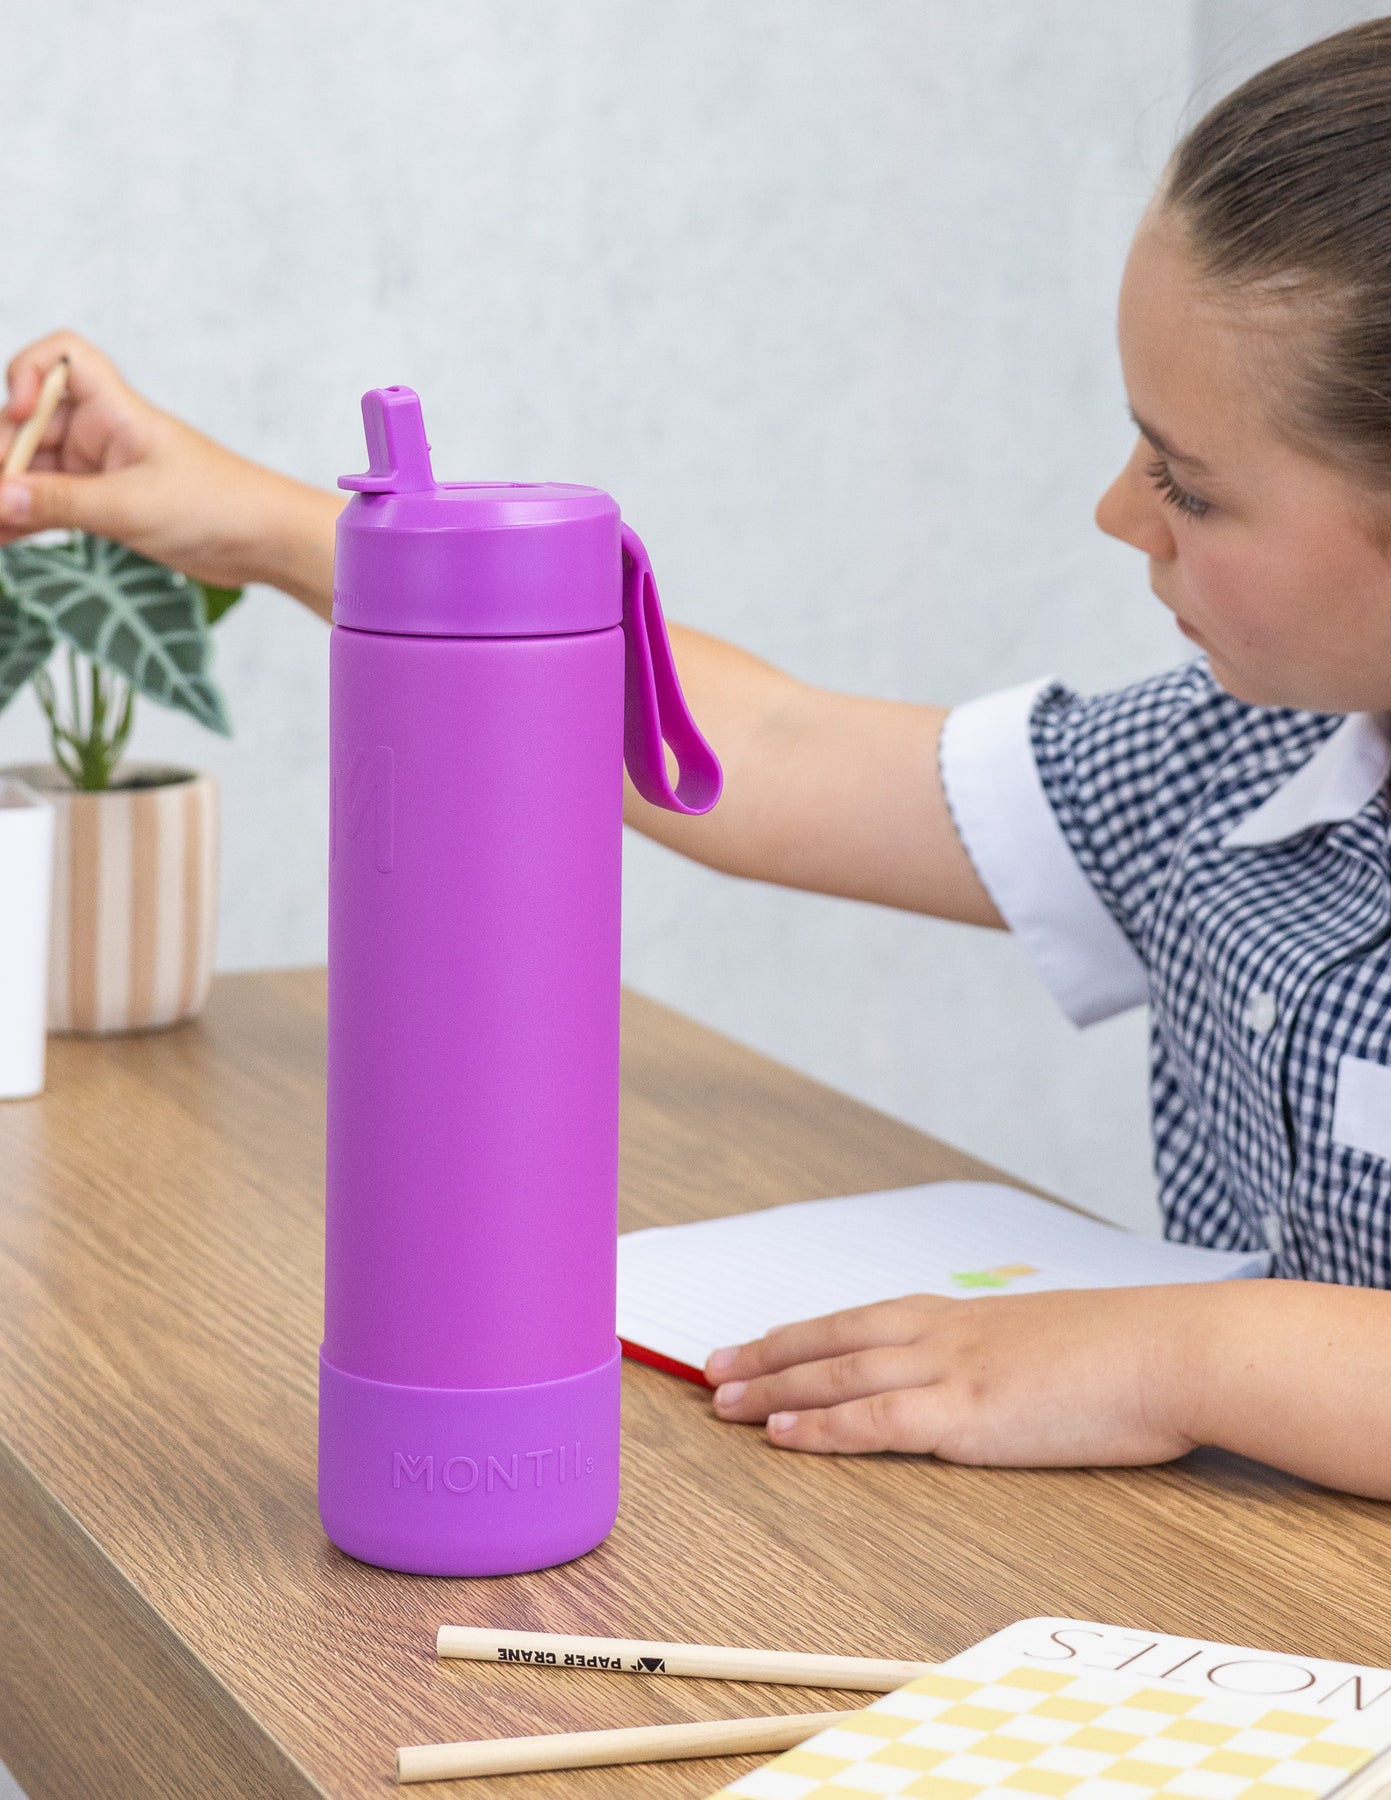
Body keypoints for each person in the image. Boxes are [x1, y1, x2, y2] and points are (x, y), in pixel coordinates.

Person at [6, 21, 1391, 1498]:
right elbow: (772, 755)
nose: (1119, 512)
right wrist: (268, 522)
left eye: (1189, 485)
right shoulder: (1235, 757)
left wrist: (1174, 1355)